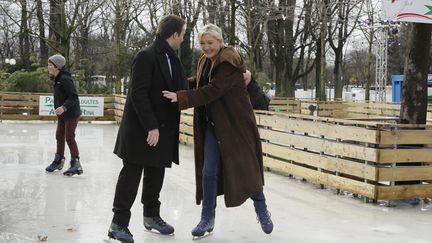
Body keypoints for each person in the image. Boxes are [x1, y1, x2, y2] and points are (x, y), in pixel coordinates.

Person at [163, 23, 273, 238]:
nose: (206, 47)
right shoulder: (205, 60)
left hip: (236, 126)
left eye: (210, 43)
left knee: (247, 170)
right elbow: (200, 82)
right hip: (214, 126)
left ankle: (262, 209)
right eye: (202, 43)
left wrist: (182, 98)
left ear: (220, 42)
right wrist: (181, 85)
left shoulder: (229, 62)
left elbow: (213, 90)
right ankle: (207, 218)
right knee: (208, 172)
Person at [108, 15, 188, 243]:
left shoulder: (173, 59)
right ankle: (118, 224)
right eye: (182, 34)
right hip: (141, 130)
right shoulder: (146, 55)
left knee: (156, 174)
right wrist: (151, 126)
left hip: (164, 129)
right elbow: (138, 93)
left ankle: (151, 216)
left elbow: (180, 86)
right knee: (131, 176)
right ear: (174, 35)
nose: (183, 38)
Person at [45, 54, 83, 176]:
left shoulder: (65, 79)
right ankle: (59, 160)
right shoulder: (57, 78)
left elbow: (74, 96)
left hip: (71, 113)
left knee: (69, 137)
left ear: (57, 67)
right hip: (63, 114)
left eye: (50, 65)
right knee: (59, 136)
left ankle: (76, 163)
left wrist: (63, 107)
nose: (48, 67)